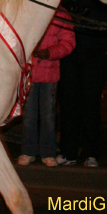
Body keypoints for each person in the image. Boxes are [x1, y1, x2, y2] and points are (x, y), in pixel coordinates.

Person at [56, 0, 107, 168]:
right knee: (68, 104)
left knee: (90, 105)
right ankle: (69, 151)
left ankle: (91, 152)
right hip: (69, 57)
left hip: (93, 54)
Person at [17, 9, 75, 167]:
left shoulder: (62, 16)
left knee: (48, 116)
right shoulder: (29, 10)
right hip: (29, 72)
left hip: (49, 74)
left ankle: (47, 152)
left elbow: (68, 43)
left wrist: (50, 52)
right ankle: (28, 151)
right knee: (29, 116)